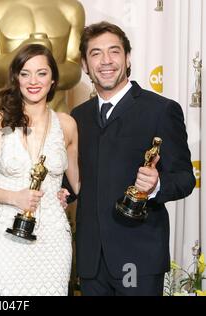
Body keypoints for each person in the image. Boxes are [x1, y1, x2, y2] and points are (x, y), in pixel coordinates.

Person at [70, 21, 196, 295]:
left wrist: (157, 185)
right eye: (95, 53)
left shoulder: (161, 110)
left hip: (138, 257)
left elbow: (185, 178)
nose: (106, 61)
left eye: (114, 52)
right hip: (92, 261)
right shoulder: (77, 117)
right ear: (84, 64)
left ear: (127, 59)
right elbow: (75, 182)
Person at [0, 44, 79, 296]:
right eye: (25, 73)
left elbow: (77, 184)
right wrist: (12, 197)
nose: (33, 81)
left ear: (53, 79)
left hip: (53, 239)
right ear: (16, 78)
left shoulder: (67, 125)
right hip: (7, 237)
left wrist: (65, 193)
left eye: (41, 73)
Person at [0, 0, 85, 113]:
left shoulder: (72, 9)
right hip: (9, 115)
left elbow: (74, 71)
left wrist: (44, 68)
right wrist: (22, 52)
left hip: (57, 113)